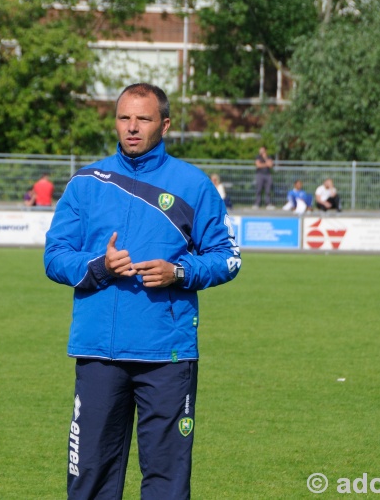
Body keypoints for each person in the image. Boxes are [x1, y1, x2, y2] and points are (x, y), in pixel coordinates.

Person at [44, 83, 241, 500]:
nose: (132, 128)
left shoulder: (193, 184)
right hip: (100, 353)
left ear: (164, 124)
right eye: (124, 118)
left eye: (144, 119)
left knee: (167, 483)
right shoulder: (86, 181)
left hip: (167, 356)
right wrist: (98, 265)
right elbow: (55, 257)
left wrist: (180, 271)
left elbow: (228, 258)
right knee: (89, 480)